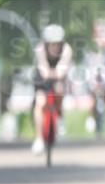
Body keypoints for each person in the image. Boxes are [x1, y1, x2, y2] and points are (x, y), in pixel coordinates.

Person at [32, 24, 74, 155]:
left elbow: (62, 71)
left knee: (60, 90)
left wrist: (57, 74)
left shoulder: (67, 49)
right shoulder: (40, 49)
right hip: (41, 76)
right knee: (40, 103)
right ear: (46, 43)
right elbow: (43, 71)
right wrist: (50, 73)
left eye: (58, 43)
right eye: (52, 44)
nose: (55, 47)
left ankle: (59, 114)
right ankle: (39, 138)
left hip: (58, 73)